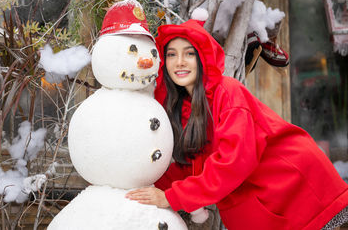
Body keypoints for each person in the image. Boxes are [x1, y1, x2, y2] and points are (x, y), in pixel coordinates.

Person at [126, 12, 348, 230]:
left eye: (189, 53)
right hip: (260, 200)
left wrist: (171, 197)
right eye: (172, 54)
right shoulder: (184, 110)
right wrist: (144, 184)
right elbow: (193, 168)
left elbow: (233, 161)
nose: (180, 62)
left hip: (291, 187)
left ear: (202, 57)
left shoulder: (228, 92)